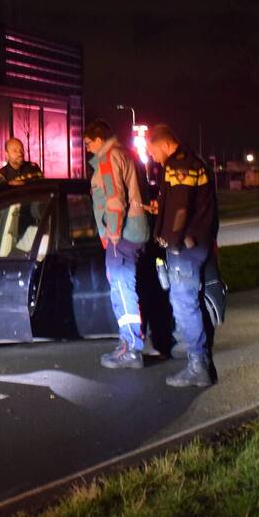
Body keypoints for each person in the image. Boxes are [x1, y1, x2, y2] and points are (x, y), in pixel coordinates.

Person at [144, 124, 219, 387]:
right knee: (189, 301)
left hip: (185, 249)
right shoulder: (194, 161)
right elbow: (184, 204)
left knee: (184, 303)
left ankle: (197, 365)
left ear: (163, 144)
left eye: (151, 150)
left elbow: (180, 210)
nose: (151, 156)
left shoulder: (178, 167)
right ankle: (201, 362)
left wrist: (170, 240)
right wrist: (159, 209)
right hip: (196, 244)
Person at [83, 119, 152, 369]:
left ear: (99, 140)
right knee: (127, 288)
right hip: (136, 230)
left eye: (89, 143)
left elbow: (114, 200)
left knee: (122, 291)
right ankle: (131, 343)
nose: (88, 148)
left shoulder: (107, 158)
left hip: (122, 235)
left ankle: (131, 348)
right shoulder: (126, 154)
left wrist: (112, 235)